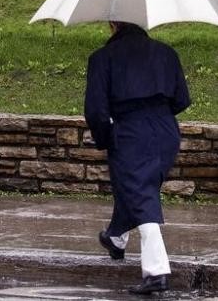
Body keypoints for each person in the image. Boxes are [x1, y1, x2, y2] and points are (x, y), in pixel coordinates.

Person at [84, 21, 190, 295]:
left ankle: (156, 272)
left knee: (140, 192)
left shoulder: (102, 58)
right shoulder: (166, 52)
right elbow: (182, 99)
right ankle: (116, 237)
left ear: (113, 24)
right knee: (137, 185)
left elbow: (96, 111)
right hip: (166, 130)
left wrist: (106, 137)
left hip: (131, 130)